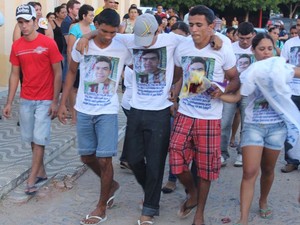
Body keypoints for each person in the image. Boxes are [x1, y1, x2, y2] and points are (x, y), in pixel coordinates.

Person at [58, 8, 131, 225]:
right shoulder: (83, 45)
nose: (109, 37)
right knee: (86, 157)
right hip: (84, 109)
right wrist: (63, 103)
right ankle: (112, 185)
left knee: (104, 159)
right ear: (96, 24)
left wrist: (89, 34)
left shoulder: (122, 45)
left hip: (107, 111)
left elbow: (144, 39)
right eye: (104, 31)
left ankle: (102, 206)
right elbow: (71, 71)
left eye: (113, 33)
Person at [220, 32, 300, 225]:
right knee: (249, 171)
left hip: (277, 128)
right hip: (254, 126)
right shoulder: (249, 72)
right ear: (253, 51)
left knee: (268, 169)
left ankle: (263, 200)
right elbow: (236, 97)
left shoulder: (282, 67)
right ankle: (244, 218)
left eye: (270, 49)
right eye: (261, 49)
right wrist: (217, 95)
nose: (266, 53)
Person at [169, 5, 239, 225]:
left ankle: (199, 215)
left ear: (211, 26)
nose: (194, 29)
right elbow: (179, 72)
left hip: (210, 118)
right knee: (175, 157)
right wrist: (175, 88)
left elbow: (235, 79)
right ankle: (192, 192)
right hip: (185, 113)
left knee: (206, 169)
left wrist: (223, 90)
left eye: (199, 25)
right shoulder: (182, 46)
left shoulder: (223, 47)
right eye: (191, 24)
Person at [3, 4, 62, 195]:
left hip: (45, 99)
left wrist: (55, 100)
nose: (24, 26)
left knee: (39, 139)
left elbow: (58, 72)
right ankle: (42, 171)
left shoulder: (48, 43)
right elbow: (14, 75)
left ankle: (32, 178)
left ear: (35, 21)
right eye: (20, 22)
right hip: (26, 99)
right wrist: (10, 102)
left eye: (27, 21)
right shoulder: (17, 46)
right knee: (31, 139)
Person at [220, 22, 255, 167]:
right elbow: (223, 71)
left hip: (249, 92)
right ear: (236, 36)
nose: (245, 41)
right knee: (224, 123)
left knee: (246, 124)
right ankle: (221, 153)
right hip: (231, 89)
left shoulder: (257, 49)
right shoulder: (230, 49)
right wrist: (222, 88)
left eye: (247, 38)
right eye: (241, 38)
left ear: (253, 35)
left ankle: (242, 153)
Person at [280, 18, 300, 173]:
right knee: (290, 127)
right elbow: (281, 65)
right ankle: (291, 160)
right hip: (291, 92)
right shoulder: (290, 43)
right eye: (298, 24)